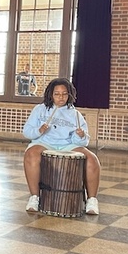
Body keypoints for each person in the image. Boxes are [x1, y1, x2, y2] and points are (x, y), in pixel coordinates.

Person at [22, 77, 101, 215]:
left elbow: (83, 142)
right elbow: (27, 132)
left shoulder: (75, 114)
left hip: (67, 144)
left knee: (92, 159)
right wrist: (39, 131)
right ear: (51, 95)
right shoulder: (40, 109)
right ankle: (34, 197)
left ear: (69, 95)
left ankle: (92, 200)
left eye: (64, 94)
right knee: (30, 154)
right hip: (44, 142)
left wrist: (80, 135)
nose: (61, 97)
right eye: (57, 94)